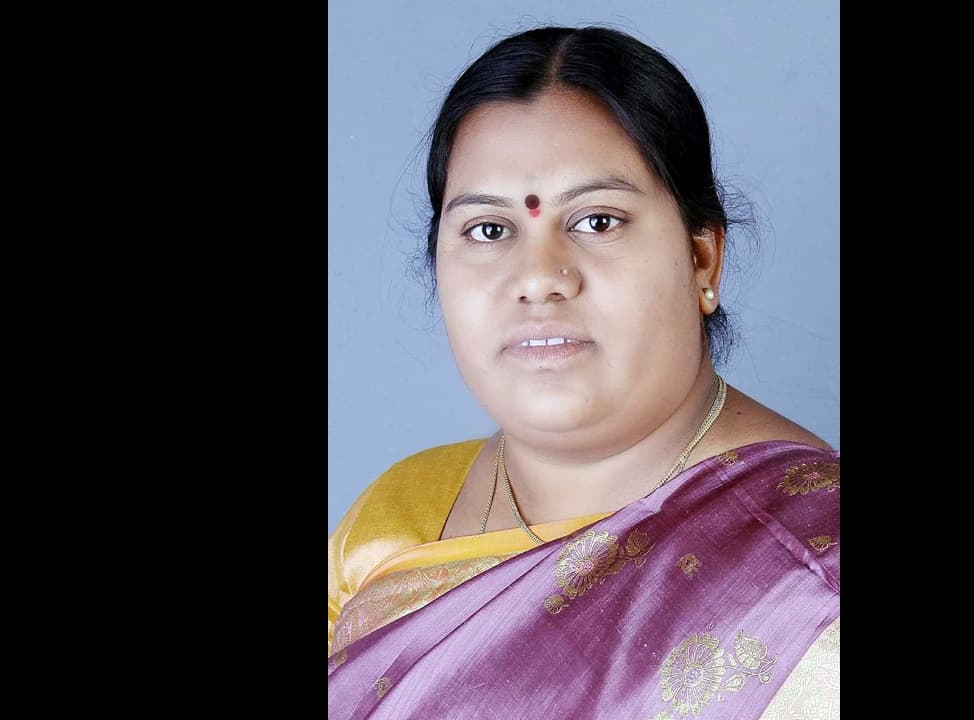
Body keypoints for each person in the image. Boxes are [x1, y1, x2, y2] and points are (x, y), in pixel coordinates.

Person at [328, 25, 839, 719]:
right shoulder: (397, 516)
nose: (539, 278)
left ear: (703, 259)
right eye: (489, 230)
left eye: (598, 221)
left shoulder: (810, 578)